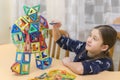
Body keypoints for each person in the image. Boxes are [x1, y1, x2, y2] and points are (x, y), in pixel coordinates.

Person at [52, 22, 117, 75]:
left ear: (104, 47)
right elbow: (60, 40)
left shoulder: (105, 62)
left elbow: (80, 69)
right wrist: (55, 28)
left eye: (95, 39)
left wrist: (68, 63)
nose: (89, 40)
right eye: (90, 35)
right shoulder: (82, 46)